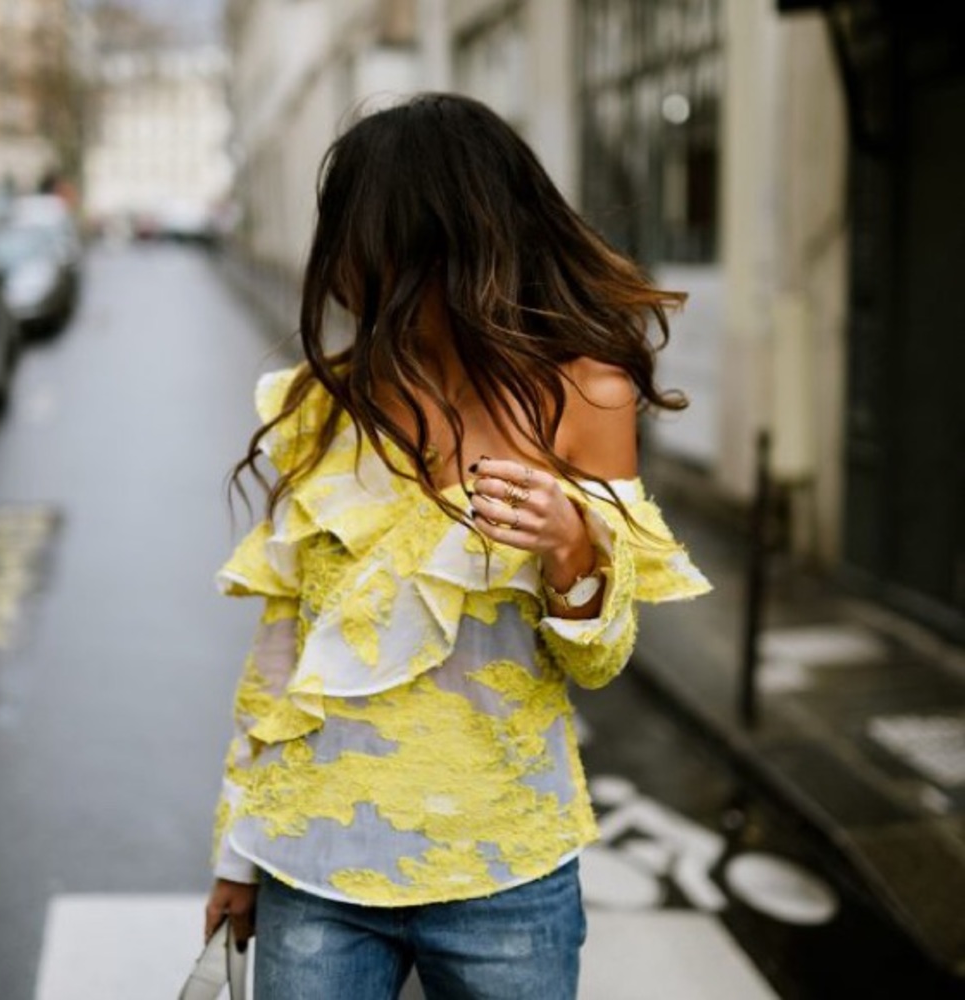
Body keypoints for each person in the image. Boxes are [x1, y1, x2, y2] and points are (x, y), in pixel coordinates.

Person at [203, 93, 710, 999]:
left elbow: (597, 663)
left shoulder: (584, 396)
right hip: (314, 869)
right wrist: (239, 845)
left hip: (504, 874)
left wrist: (571, 553)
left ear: (446, 239)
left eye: (364, 236)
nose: (349, 267)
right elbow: (283, 646)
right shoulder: (320, 408)